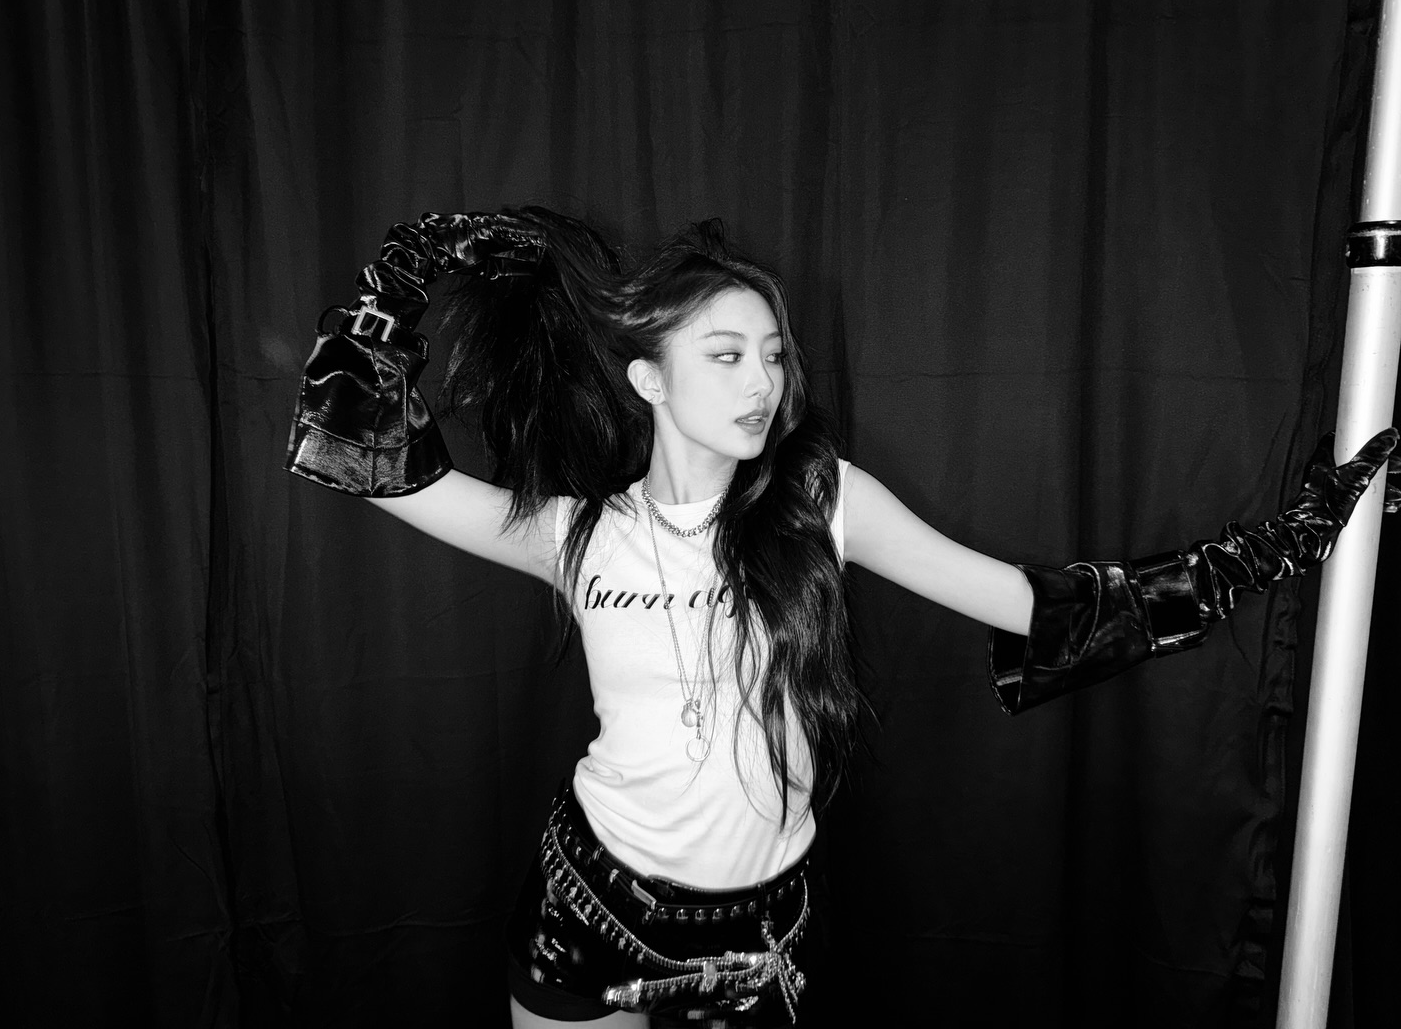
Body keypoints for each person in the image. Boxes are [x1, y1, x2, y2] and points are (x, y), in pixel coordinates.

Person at [284, 208, 1399, 1028]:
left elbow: (1038, 607)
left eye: (772, 356)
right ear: (649, 380)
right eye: (726, 356)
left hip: (754, 938)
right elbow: (363, 457)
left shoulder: (821, 504)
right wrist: (405, 275)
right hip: (588, 907)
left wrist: (1276, 549)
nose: (761, 382)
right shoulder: (577, 533)